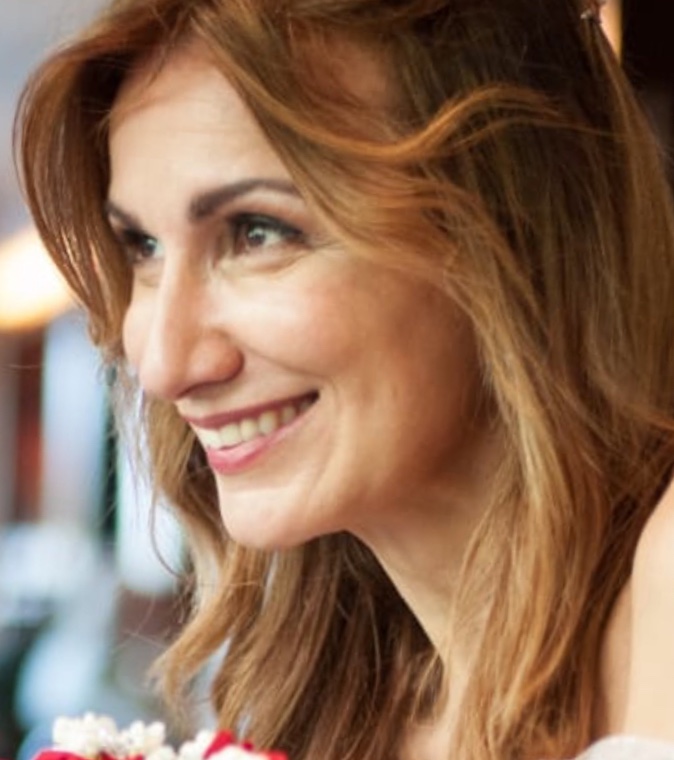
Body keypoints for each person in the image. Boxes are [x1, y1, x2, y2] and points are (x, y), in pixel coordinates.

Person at [15, 0, 674, 758]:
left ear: (508, 229)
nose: (165, 365)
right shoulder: (323, 704)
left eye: (257, 232)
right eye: (143, 247)